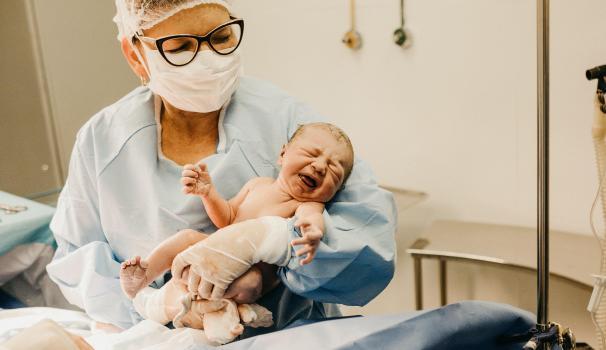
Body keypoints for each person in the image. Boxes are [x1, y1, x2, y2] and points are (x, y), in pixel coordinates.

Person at [46, 0, 397, 337]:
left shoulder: (291, 125)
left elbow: (370, 248)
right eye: (180, 46)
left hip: (281, 335)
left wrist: (274, 243)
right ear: (135, 54)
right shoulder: (102, 140)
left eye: (221, 37)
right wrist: (156, 304)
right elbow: (77, 262)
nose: (207, 60)